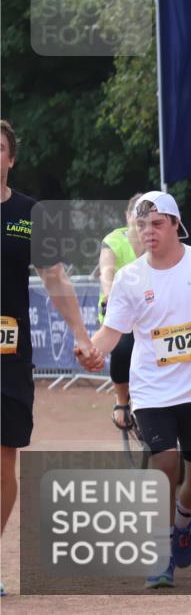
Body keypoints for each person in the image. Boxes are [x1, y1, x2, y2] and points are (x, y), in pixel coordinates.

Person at [75, 190, 191, 589]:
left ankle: (181, 523)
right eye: (142, 225)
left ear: (176, 225)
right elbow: (112, 333)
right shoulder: (130, 278)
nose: (148, 232)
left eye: (157, 223)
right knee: (166, 464)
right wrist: (92, 352)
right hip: (152, 392)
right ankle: (160, 556)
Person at [1, 120, 98, 597]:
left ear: (11, 158)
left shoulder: (29, 214)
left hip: (9, 357)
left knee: (4, 466)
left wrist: (81, 335)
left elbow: (56, 279)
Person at [98, 193, 145, 430]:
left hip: (149, 308)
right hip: (120, 307)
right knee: (123, 345)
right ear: (127, 216)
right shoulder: (114, 241)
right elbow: (106, 270)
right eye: (136, 214)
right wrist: (109, 295)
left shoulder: (154, 238)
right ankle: (122, 400)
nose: (140, 221)